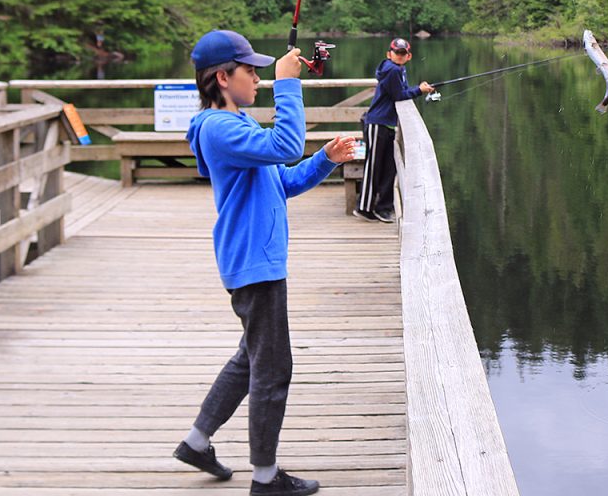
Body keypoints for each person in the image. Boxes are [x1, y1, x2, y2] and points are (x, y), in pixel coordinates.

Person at [173, 29, 356, 496]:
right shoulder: (220, 128)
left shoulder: (241, 126)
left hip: (256, 259)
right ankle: (266, 478)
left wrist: (326, 159)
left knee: (251, 358)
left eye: (259, 72)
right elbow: (285, 146)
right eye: (249, 71)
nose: (256, 79)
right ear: (221, 77)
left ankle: (197, 442)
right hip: (255, 263)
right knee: (273, 368)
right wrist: (288, 83)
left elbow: (285, 179)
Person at [354, 37, 435, 222]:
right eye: (396, 53)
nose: (399, 56)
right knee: (374, 167)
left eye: (402, 53)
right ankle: (364, 208)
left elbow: (401, 91)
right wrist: (419, 91)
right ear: (389, 54)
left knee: (388, 168)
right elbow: (399, 95)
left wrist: (418, 89)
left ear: (408, 56)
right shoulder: (392, 70)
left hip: (387, 124)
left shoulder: (399, 70)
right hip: (377, 123)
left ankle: (382, 207)